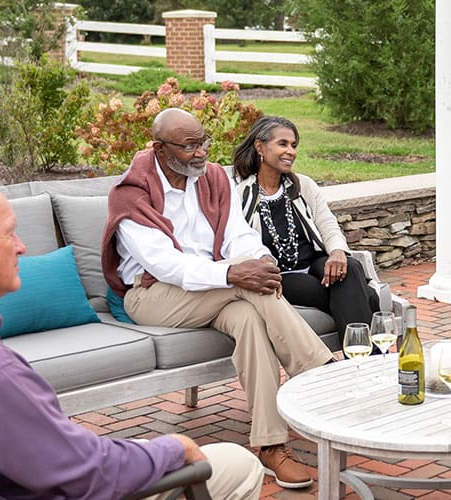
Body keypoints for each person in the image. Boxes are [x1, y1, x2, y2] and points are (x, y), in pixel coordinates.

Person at [0, 178, 263, 499]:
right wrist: (175, 447)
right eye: (10, 233)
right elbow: (86, 476)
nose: (23, 247)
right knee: (237, 464)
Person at [101, 108, 334, 489]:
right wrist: (234, 273)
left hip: (210, 289)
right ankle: (320, 377)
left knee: (249, 319)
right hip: (152, 295)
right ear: (160, 148)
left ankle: (270, 444)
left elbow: (236, 234)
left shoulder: (212, 177)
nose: (200, 152)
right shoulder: (131, 194)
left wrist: (259, 260)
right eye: (189, 145)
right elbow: (166, 265)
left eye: (204, 141)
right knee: (247, 285)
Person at [229, 116, 381, 337]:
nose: (291, 151)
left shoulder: (303, 186)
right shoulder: (241, 196)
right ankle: (369, 358)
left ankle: (361, 361)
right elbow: (238, 243)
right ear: (260, 146)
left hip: (315, 263)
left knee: (350, 267)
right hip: (281, 275)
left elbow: (327, 224)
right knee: (358, 293)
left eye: (293, 145)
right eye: (282, 144)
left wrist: (337, 252)